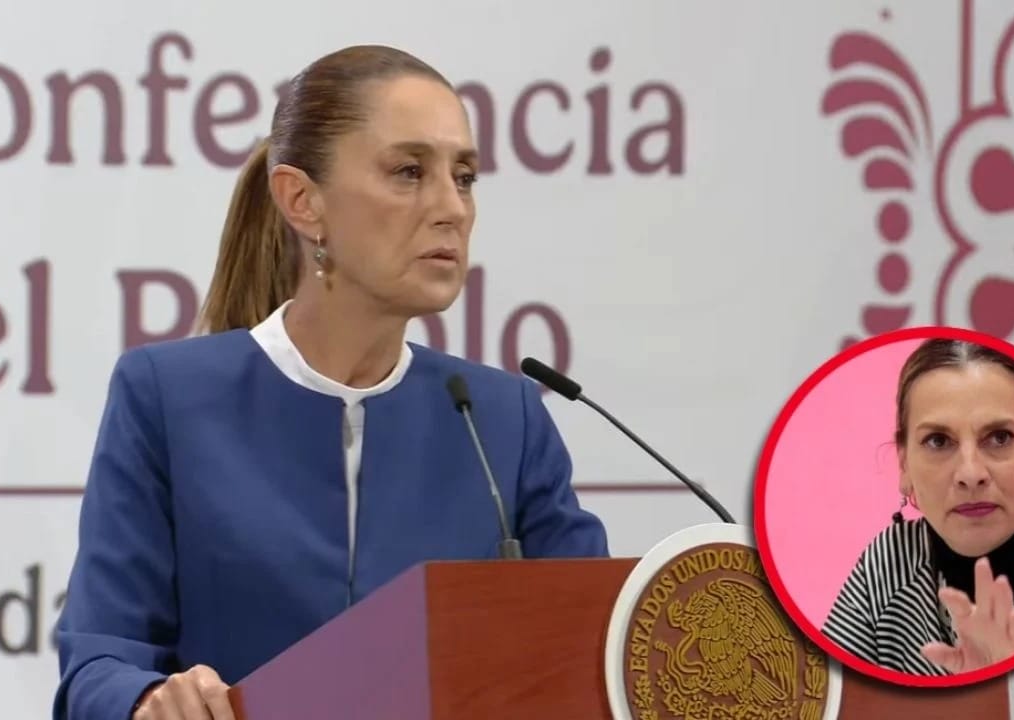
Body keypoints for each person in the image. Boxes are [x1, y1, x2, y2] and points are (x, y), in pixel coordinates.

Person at [51, 44, 610, 720]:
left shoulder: (502, 419)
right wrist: (146, 700)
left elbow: (595, 653)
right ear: (302, 201)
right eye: (409, 171)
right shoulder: (167, 397)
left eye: (463, 177)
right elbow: (98, 663)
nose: (452, 208)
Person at [820, 338, 1014, 677]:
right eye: (938, 441)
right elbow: (817, 693)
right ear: (904, 464)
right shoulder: (889, 562)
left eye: (999, 437)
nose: (970, 474)